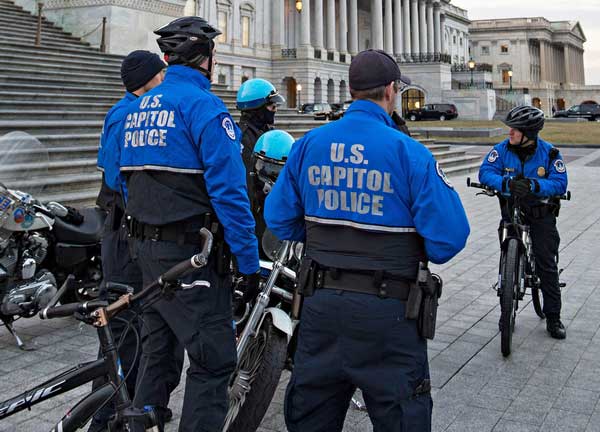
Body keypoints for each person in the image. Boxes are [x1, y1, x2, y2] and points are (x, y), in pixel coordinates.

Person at [264, 49, 470, 432]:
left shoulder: (309, 145)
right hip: (390, 313)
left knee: (310, 419)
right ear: (390, 91)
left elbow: (278, 219)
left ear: (351, 90)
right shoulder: (410, 153)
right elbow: (448, 240)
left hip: (321, 306)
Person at [118, 16, 260, 431]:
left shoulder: (137, 108)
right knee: (214, 361)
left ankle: (140, 424)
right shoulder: (205, 107)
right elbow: (231, 195)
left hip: (144, 248)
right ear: (207, 58)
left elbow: (122, 181)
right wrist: (248, 265)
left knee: (158, 353)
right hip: (188, 258)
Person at [91, 50, 180, 432]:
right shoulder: (130, 113)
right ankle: (105, 414)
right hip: (124, 230)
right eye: (162, 76)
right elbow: (114, 175)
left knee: (134, 321)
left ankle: (124, 408)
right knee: (124, 323)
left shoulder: (129, 109)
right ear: (149, 79)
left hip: (125, 227)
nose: (165, 82)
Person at [479, 105, 568, 339]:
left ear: (528, 133)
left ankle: (553, 317)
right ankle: (505, 310)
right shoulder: (501, 150)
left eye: (515, 130)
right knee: (506, 254)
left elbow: (560, 183)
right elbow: (486, 172)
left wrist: (535, 186)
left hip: (540, 213)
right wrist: (506, 184)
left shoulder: (549, 153)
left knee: (546, 264)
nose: (510, 133)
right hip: (512, 210)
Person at [250, 129, 295, 244]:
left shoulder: (291, 202)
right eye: (262, 167)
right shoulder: (247, 195)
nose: (267, 181)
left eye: (274, 173)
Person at [236, 78, 285, 177]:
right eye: (272, 107)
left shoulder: (267, 131)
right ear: (258, 108)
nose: (275, 110)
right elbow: (249, 177)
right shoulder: (243, 137)